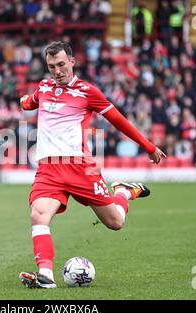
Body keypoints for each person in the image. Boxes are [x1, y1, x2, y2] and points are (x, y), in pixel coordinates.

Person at [18, 42, 166, 289]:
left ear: (72, 62)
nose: (57, 71)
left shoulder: (88, 92)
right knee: (38, 215)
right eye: (52, 66)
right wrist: (25, 101)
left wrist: (149, 146)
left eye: (62, 65)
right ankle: (45, 275)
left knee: (115, 222)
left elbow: (118, 120)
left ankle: (123, 192)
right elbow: (32, 101)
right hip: (48, 169)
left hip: (80, 168)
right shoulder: (44, 87)